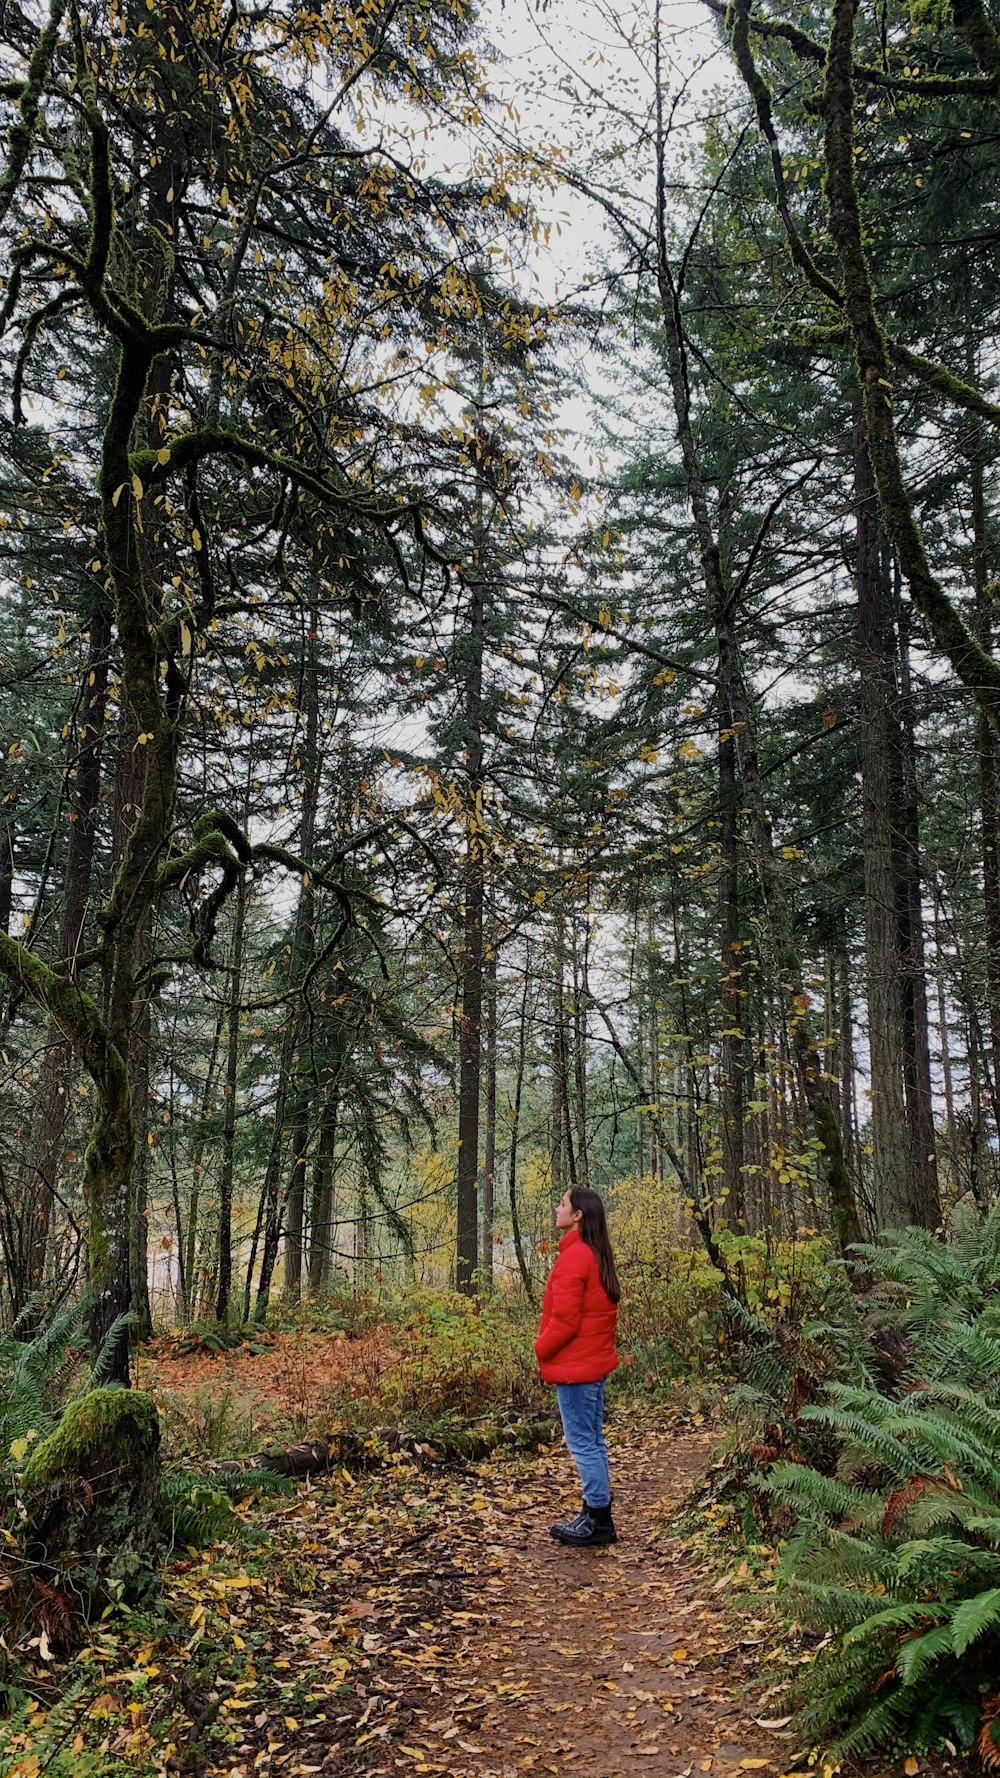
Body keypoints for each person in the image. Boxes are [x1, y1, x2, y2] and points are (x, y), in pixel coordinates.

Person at [534, 1186, 620, 1546]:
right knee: (593, 1441)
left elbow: (565, 1322)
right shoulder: (594, 1254)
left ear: (578, 1215)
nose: (557, 1208)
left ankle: (598, 1520)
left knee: (583, 1443)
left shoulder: (575, 1258)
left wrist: (540, 1349)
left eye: (563, 1204)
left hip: (576, 1368)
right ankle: (594, 1511)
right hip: (589, 1365)